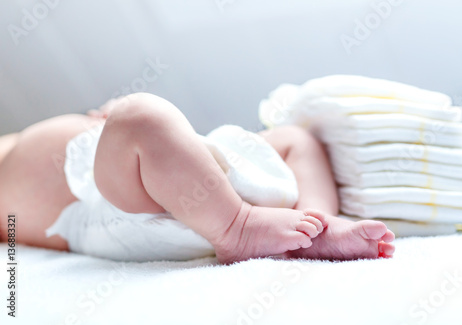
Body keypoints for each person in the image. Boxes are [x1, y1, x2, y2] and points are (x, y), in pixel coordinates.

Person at [0, 93, 395, 263]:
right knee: (140, 116)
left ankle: (317, 222)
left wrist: (107, 127)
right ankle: (238, 229)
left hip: (196, 175)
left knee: (295, 139)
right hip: (111, 206)